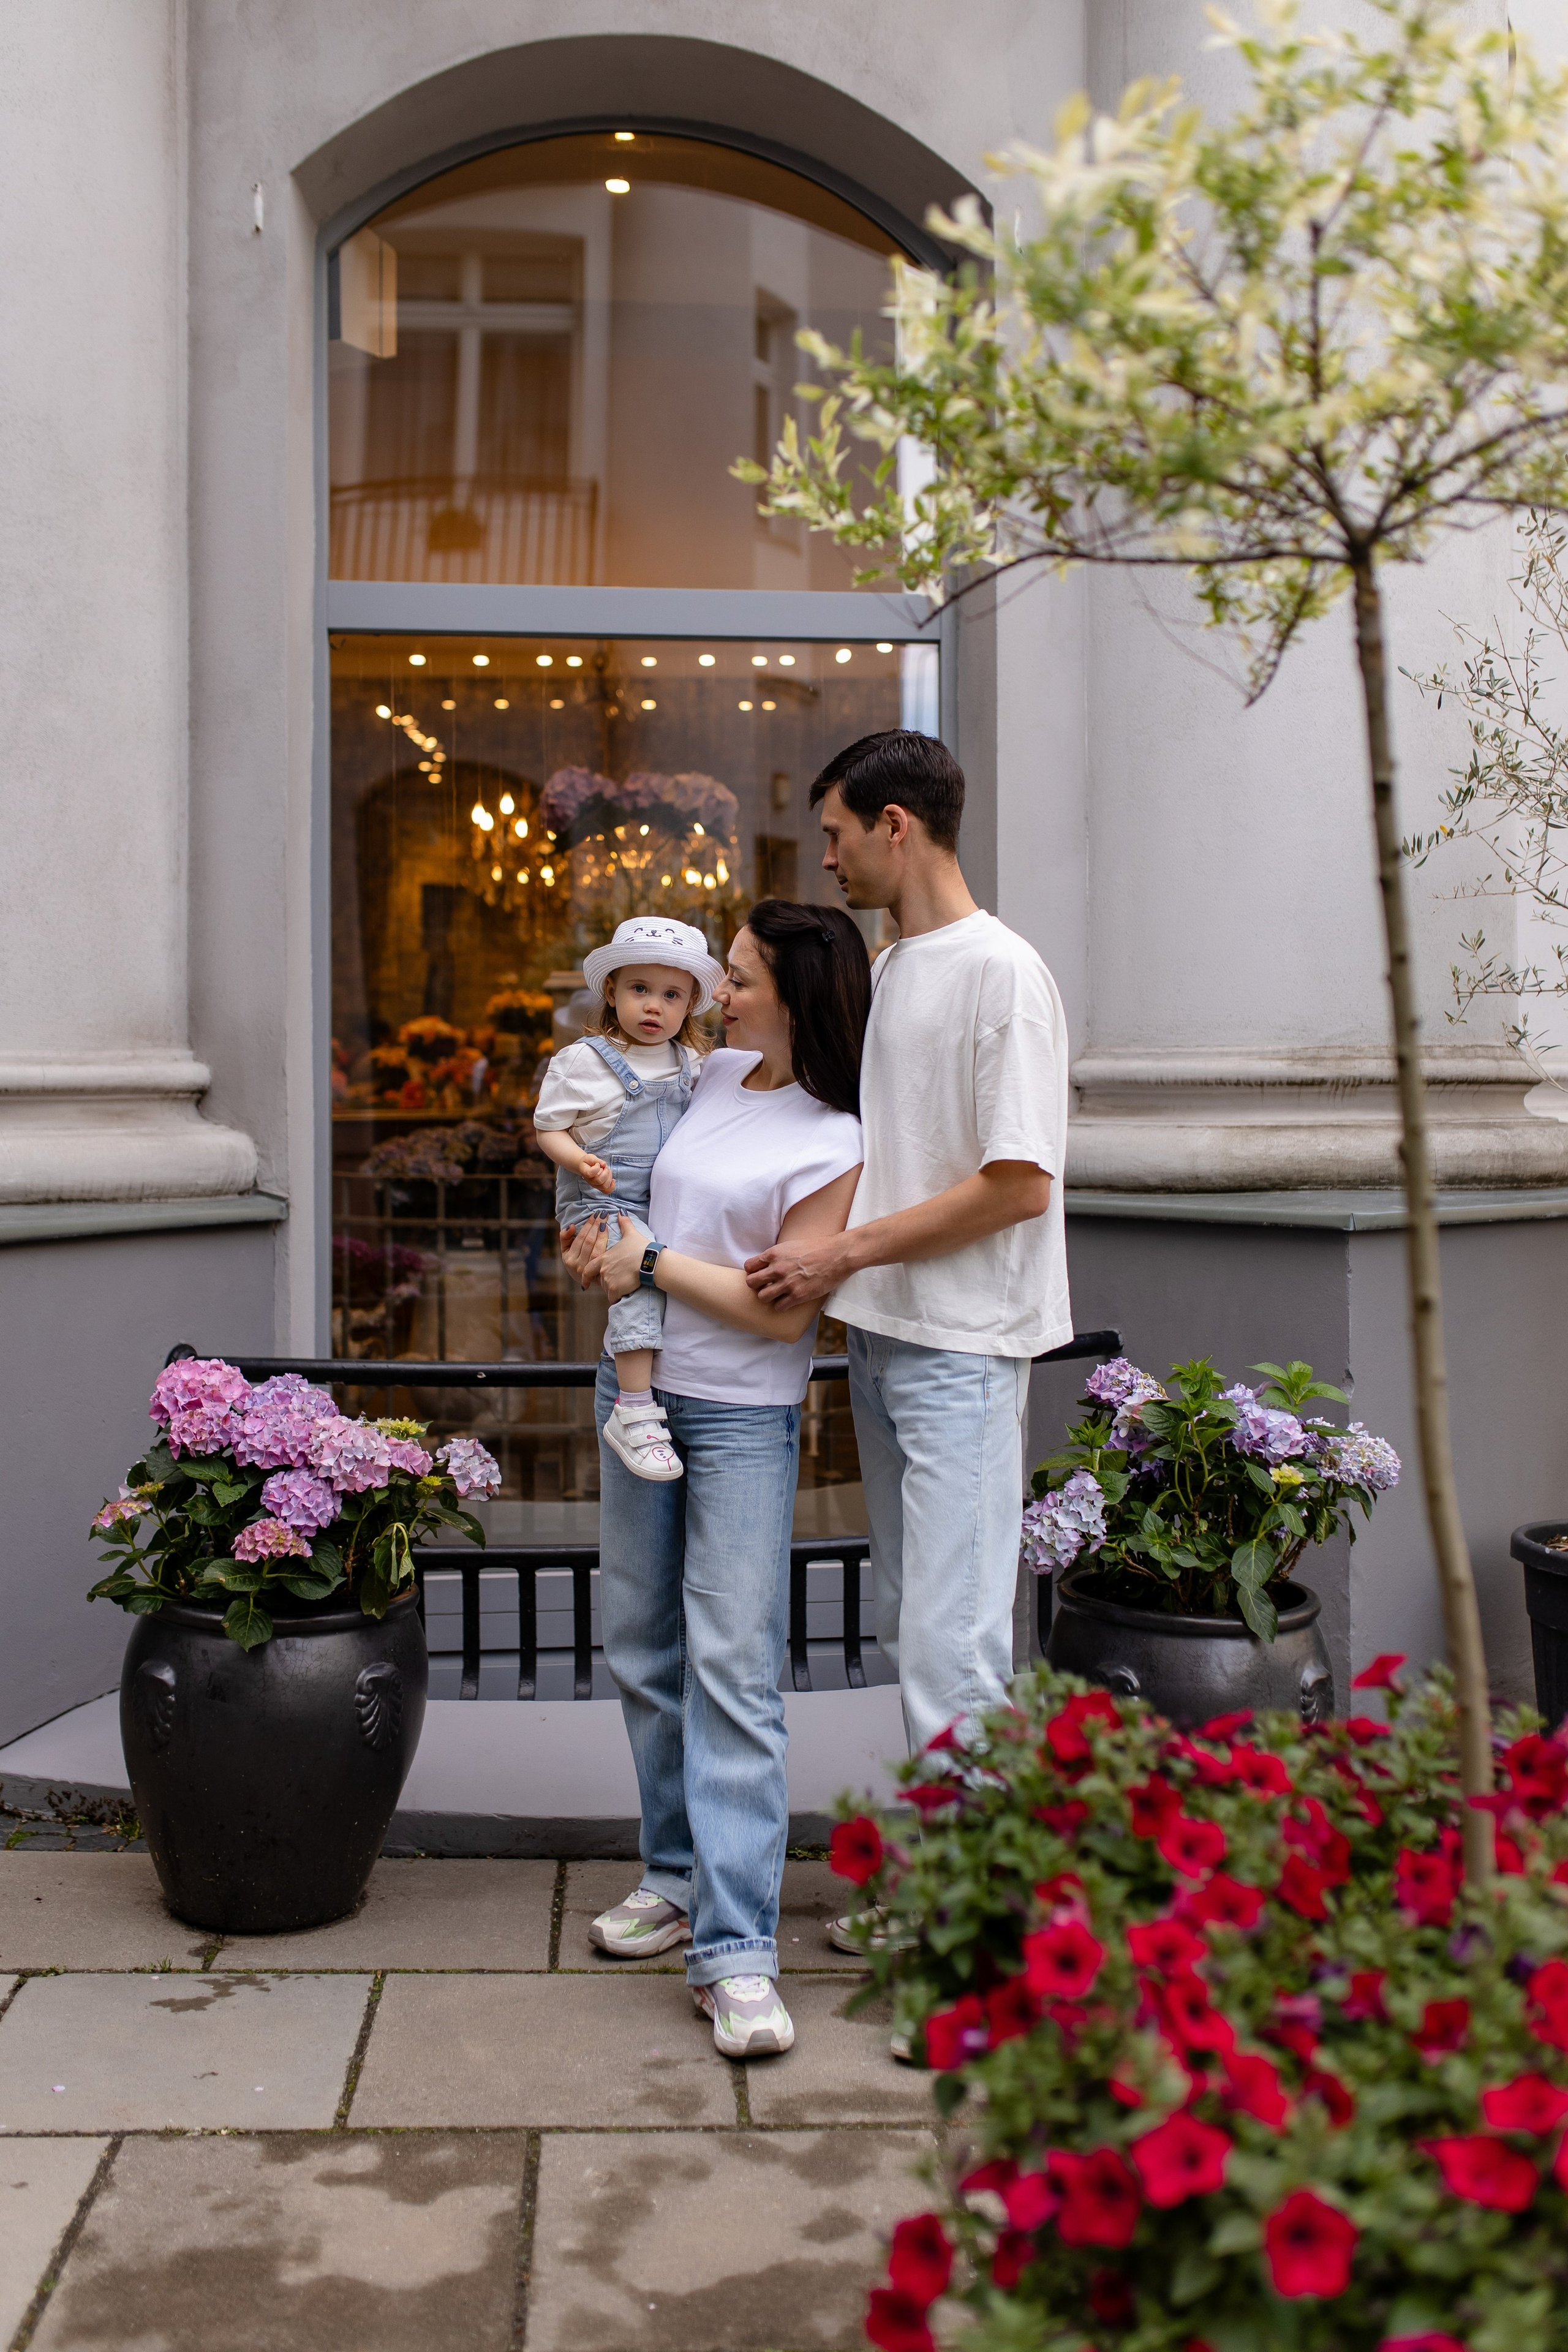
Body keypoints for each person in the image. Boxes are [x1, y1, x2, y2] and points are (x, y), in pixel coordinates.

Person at [745, 732, 1071, 1948]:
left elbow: (1015, 1184)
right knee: (916, 1628)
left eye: (832, 832)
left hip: (961, 1352)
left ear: (894, 826)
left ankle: (974, 1942)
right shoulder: (892, 964)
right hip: (884, 1344)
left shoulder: (999, 973)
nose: (821, 854)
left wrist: (841, 1254)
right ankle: (947, 1893)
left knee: (953, 1649)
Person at [564, 900, 870, 2058]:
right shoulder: (703, 1076)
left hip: (742, 1416)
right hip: (633, 1391)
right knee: (641, 1643)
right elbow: (625, 1189)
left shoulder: (837, 1134)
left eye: (738, 978)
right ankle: (677, 1873)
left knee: (733, 1665)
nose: (716, 993)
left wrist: (649, 1259)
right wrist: (597, 1237)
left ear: (797, 992)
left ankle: (738, 1948)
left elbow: (776, 1308)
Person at [533, 916, 721, 1482]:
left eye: (671, 995)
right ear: (612, 991)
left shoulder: (693, 1065)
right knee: (638, 1280)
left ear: (690, 1005)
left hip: (661, 1202)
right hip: (603, 1200)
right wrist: (578, 1160)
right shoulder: (584, 1061)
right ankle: (634, 1410)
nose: (653, 1007)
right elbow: (548, 1128)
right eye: (639, 990)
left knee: (671, 1273)